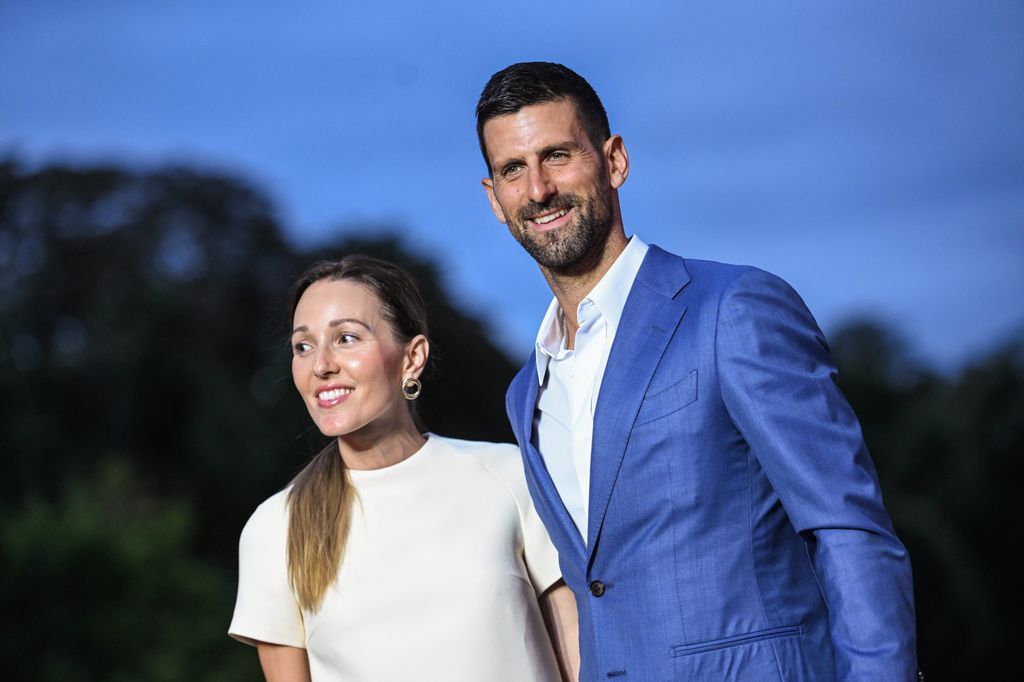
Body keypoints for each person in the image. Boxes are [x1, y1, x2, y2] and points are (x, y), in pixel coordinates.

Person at [476, 62, 920, 681]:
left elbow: (847, 528)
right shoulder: (527, 391)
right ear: (494, 199)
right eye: (512, 170)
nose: (539, 188)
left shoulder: (732, 309)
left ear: (615, 161)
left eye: (557, 155)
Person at [228, 255, 579, 681]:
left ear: (412, 358)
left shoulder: (509, 476)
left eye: (346, 338)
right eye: (303, 346)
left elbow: (579, 664)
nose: (321, 365)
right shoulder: (274, 529)